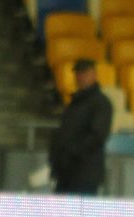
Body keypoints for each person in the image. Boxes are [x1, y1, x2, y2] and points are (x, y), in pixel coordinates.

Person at [48, 59, 113, 196]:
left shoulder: (101, 103)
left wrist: (71, 153)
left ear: (94, 74)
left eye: (85, 73)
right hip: (67, 173)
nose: (80, 77)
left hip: (85, 173)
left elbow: (97, 136)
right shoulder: (75, 103)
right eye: (78, 73)